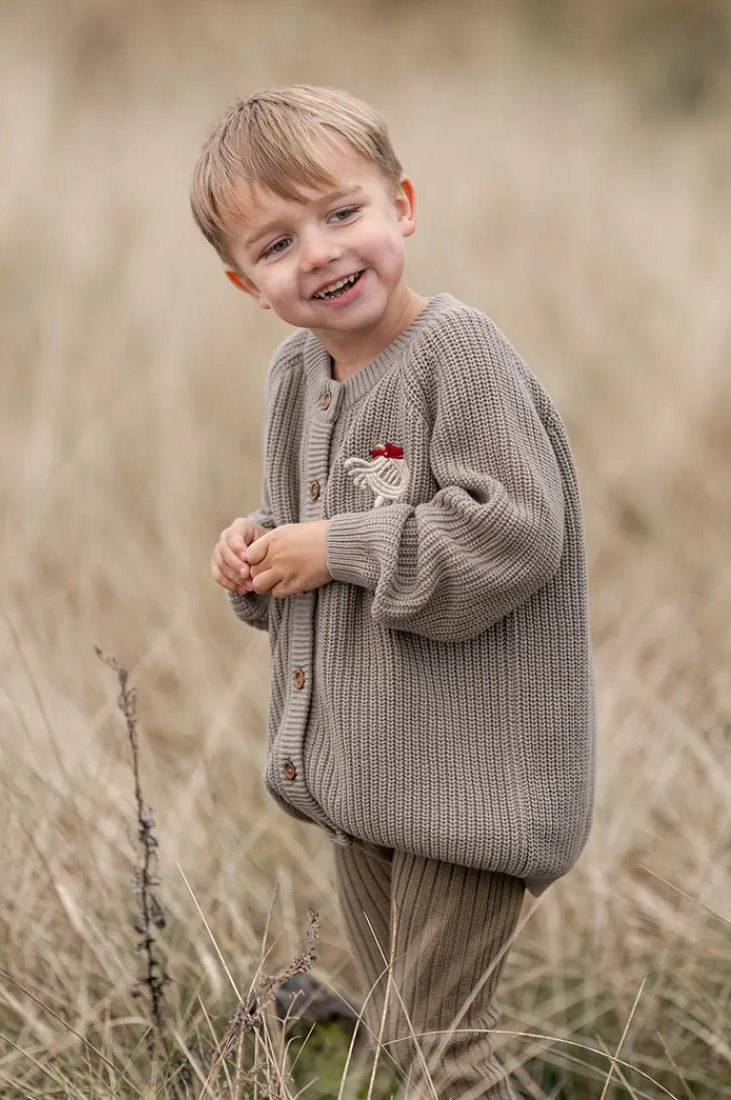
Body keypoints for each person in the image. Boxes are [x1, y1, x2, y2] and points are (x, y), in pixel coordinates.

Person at [193, 84, 596, 1100]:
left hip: (468, 781)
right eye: (277, 244)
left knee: (439, 1051)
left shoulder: (455, 352)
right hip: (367, 778)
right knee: (412, 1039)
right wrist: (259, 552)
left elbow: (514, 530)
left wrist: (333, 547)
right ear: (247, 284)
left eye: (342, 213)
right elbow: (315, 542)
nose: (322, 252)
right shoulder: (298, 377)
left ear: (401, 206)